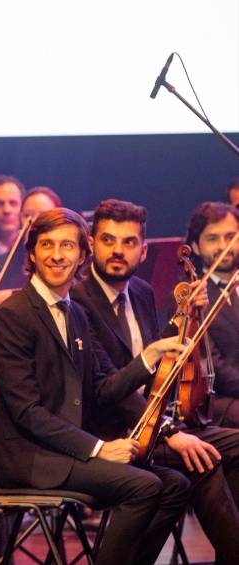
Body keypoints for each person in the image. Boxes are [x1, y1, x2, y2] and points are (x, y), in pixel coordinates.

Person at [0, 208, 190, 565]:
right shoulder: (13, 314)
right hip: (31, 458)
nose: (56, 255)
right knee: (143, 487)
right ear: (32, 253)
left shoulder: (75, 313)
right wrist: (98, 447)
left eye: (67, 246)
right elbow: (27, 412)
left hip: (62, 451)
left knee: (175, 485)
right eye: (46, 244)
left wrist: (150, 356)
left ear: (82, 255)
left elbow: (101, 387)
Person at [72, 199, 239, 563]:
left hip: (154, 423)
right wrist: (168, 429)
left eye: (129, 242)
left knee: (233, 447)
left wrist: (188, 318)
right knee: (203, 462)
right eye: (108, 240)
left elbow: (160, 365)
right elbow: (107, 389)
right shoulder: (78, 303)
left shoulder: (142, 294)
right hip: (109, 432)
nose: (118, 250)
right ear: (90, 245)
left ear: (143, 251)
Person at [185, 202, 239, 428]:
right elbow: (212, 366)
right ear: (195, 246)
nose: (223, 246)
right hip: (220, 400)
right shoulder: (192, 298)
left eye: (231, 237)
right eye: (212, 238)